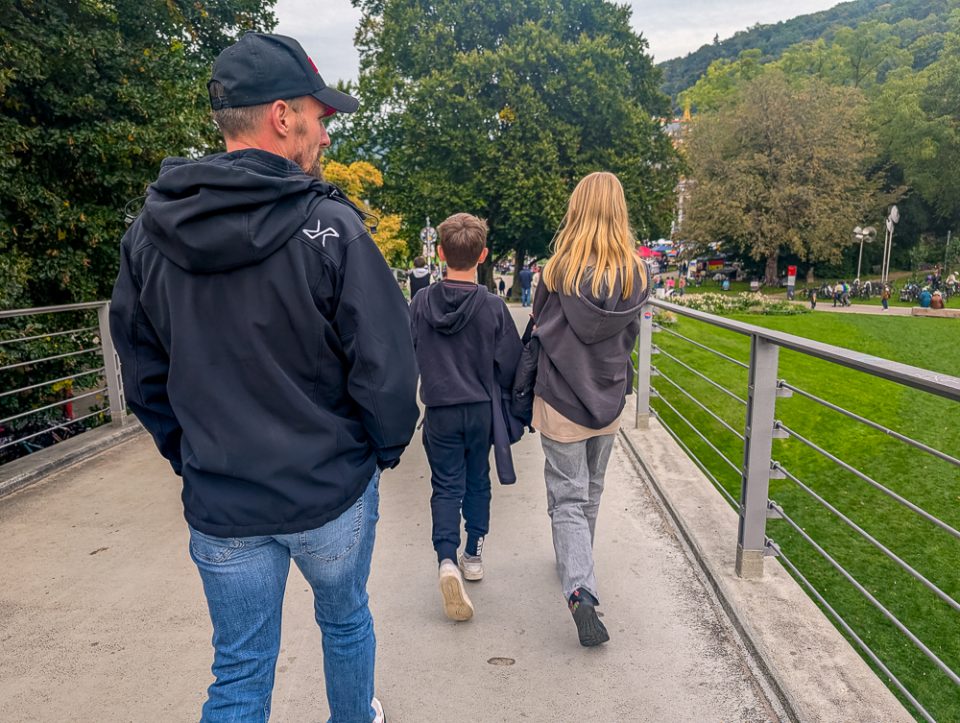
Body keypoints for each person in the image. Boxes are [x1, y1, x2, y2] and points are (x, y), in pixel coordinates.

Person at [109, 32, 419, 723]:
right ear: (282, 116)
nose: (325, 133)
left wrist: (191, 456)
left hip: (224, 504)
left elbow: (142, 371)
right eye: (320, 115)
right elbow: (388, 368)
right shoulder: (332, 228)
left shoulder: (147, 235)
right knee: (344, 622)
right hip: (329, 493)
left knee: (241, 668)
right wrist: (382, 448)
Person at [531, 172, 649, 647]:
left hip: (561, 397)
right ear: (619, 212)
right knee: (591, 489)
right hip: (609, 397)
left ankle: (579, 587)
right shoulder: (637, 274)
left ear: (576, 210)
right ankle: (579, 566)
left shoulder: (557, 270)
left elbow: (538, 324)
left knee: (566, 496)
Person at [409, 213, 522, 621]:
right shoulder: (492, 307)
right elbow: (511, 363)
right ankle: (473, 552)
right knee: (477, 479)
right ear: (484, 254)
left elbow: (409, 351)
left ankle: (445, 558)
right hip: (479, 410)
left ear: (440, 253)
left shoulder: (421, 302)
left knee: (445, 485)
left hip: (439, 409)